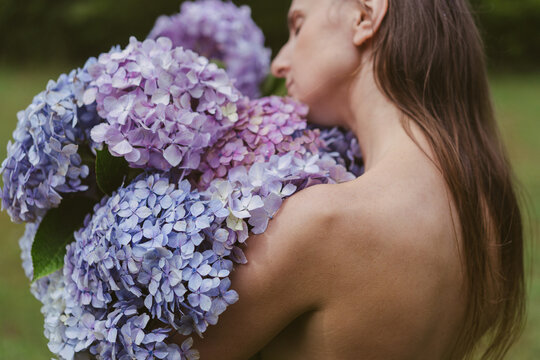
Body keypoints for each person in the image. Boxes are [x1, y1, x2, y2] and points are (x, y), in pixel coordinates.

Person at [173, 0, 526, 358]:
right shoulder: (488, 221)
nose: (279, 63)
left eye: (298, 26)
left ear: (364, 17)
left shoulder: (324, 221)